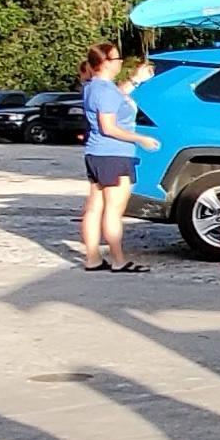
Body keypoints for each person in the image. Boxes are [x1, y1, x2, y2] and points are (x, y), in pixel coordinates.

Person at [77, 42, 161, 272]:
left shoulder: (95, 86)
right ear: (105, 63)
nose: (120, 62)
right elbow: (109, 127)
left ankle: (92, 258)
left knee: (94, 207)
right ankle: (118, 259)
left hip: (96, 154)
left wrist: (136, 79)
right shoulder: (103, 90)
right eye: (116, 59)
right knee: (113, 211)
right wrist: (140, 138)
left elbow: (118, 95)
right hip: (113, 155)